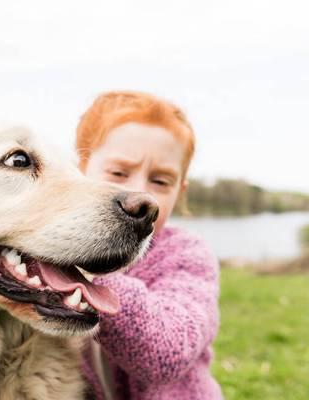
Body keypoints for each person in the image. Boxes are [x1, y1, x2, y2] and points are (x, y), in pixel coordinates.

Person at [76, 91, 223, 400]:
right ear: (80, 170)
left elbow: (166, 352)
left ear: (179, 191)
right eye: (118, 173)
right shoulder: (49, 250)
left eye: (161, 181)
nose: (139, 193)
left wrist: (82, 271)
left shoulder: (186, 255)